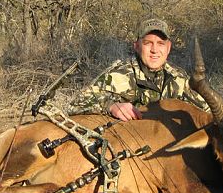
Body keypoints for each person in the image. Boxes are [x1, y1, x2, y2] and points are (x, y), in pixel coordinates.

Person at [66, 18, 209, 121]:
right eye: (148, 43)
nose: (154, 50)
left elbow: (208, 112)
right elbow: (75, 104)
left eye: (160, 44)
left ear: (168, 48)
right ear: (136, 46)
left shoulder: (179, 78)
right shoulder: (119, 75)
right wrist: (111, 105)